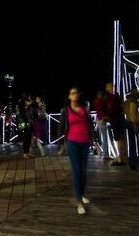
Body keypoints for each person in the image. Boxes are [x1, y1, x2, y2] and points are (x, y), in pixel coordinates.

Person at [58, 87, 94, 215]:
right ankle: (79, 201)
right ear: (69, 96)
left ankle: (81, 193)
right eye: (72, 93)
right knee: (77, 169)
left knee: (84, 170)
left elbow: (89, 126)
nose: (75, 95)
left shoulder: (85, 109)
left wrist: (93, 141)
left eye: (77, 93)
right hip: (72, 142)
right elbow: (61, 128)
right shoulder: (65, 111)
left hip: (85, 143)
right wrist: (61, 146)